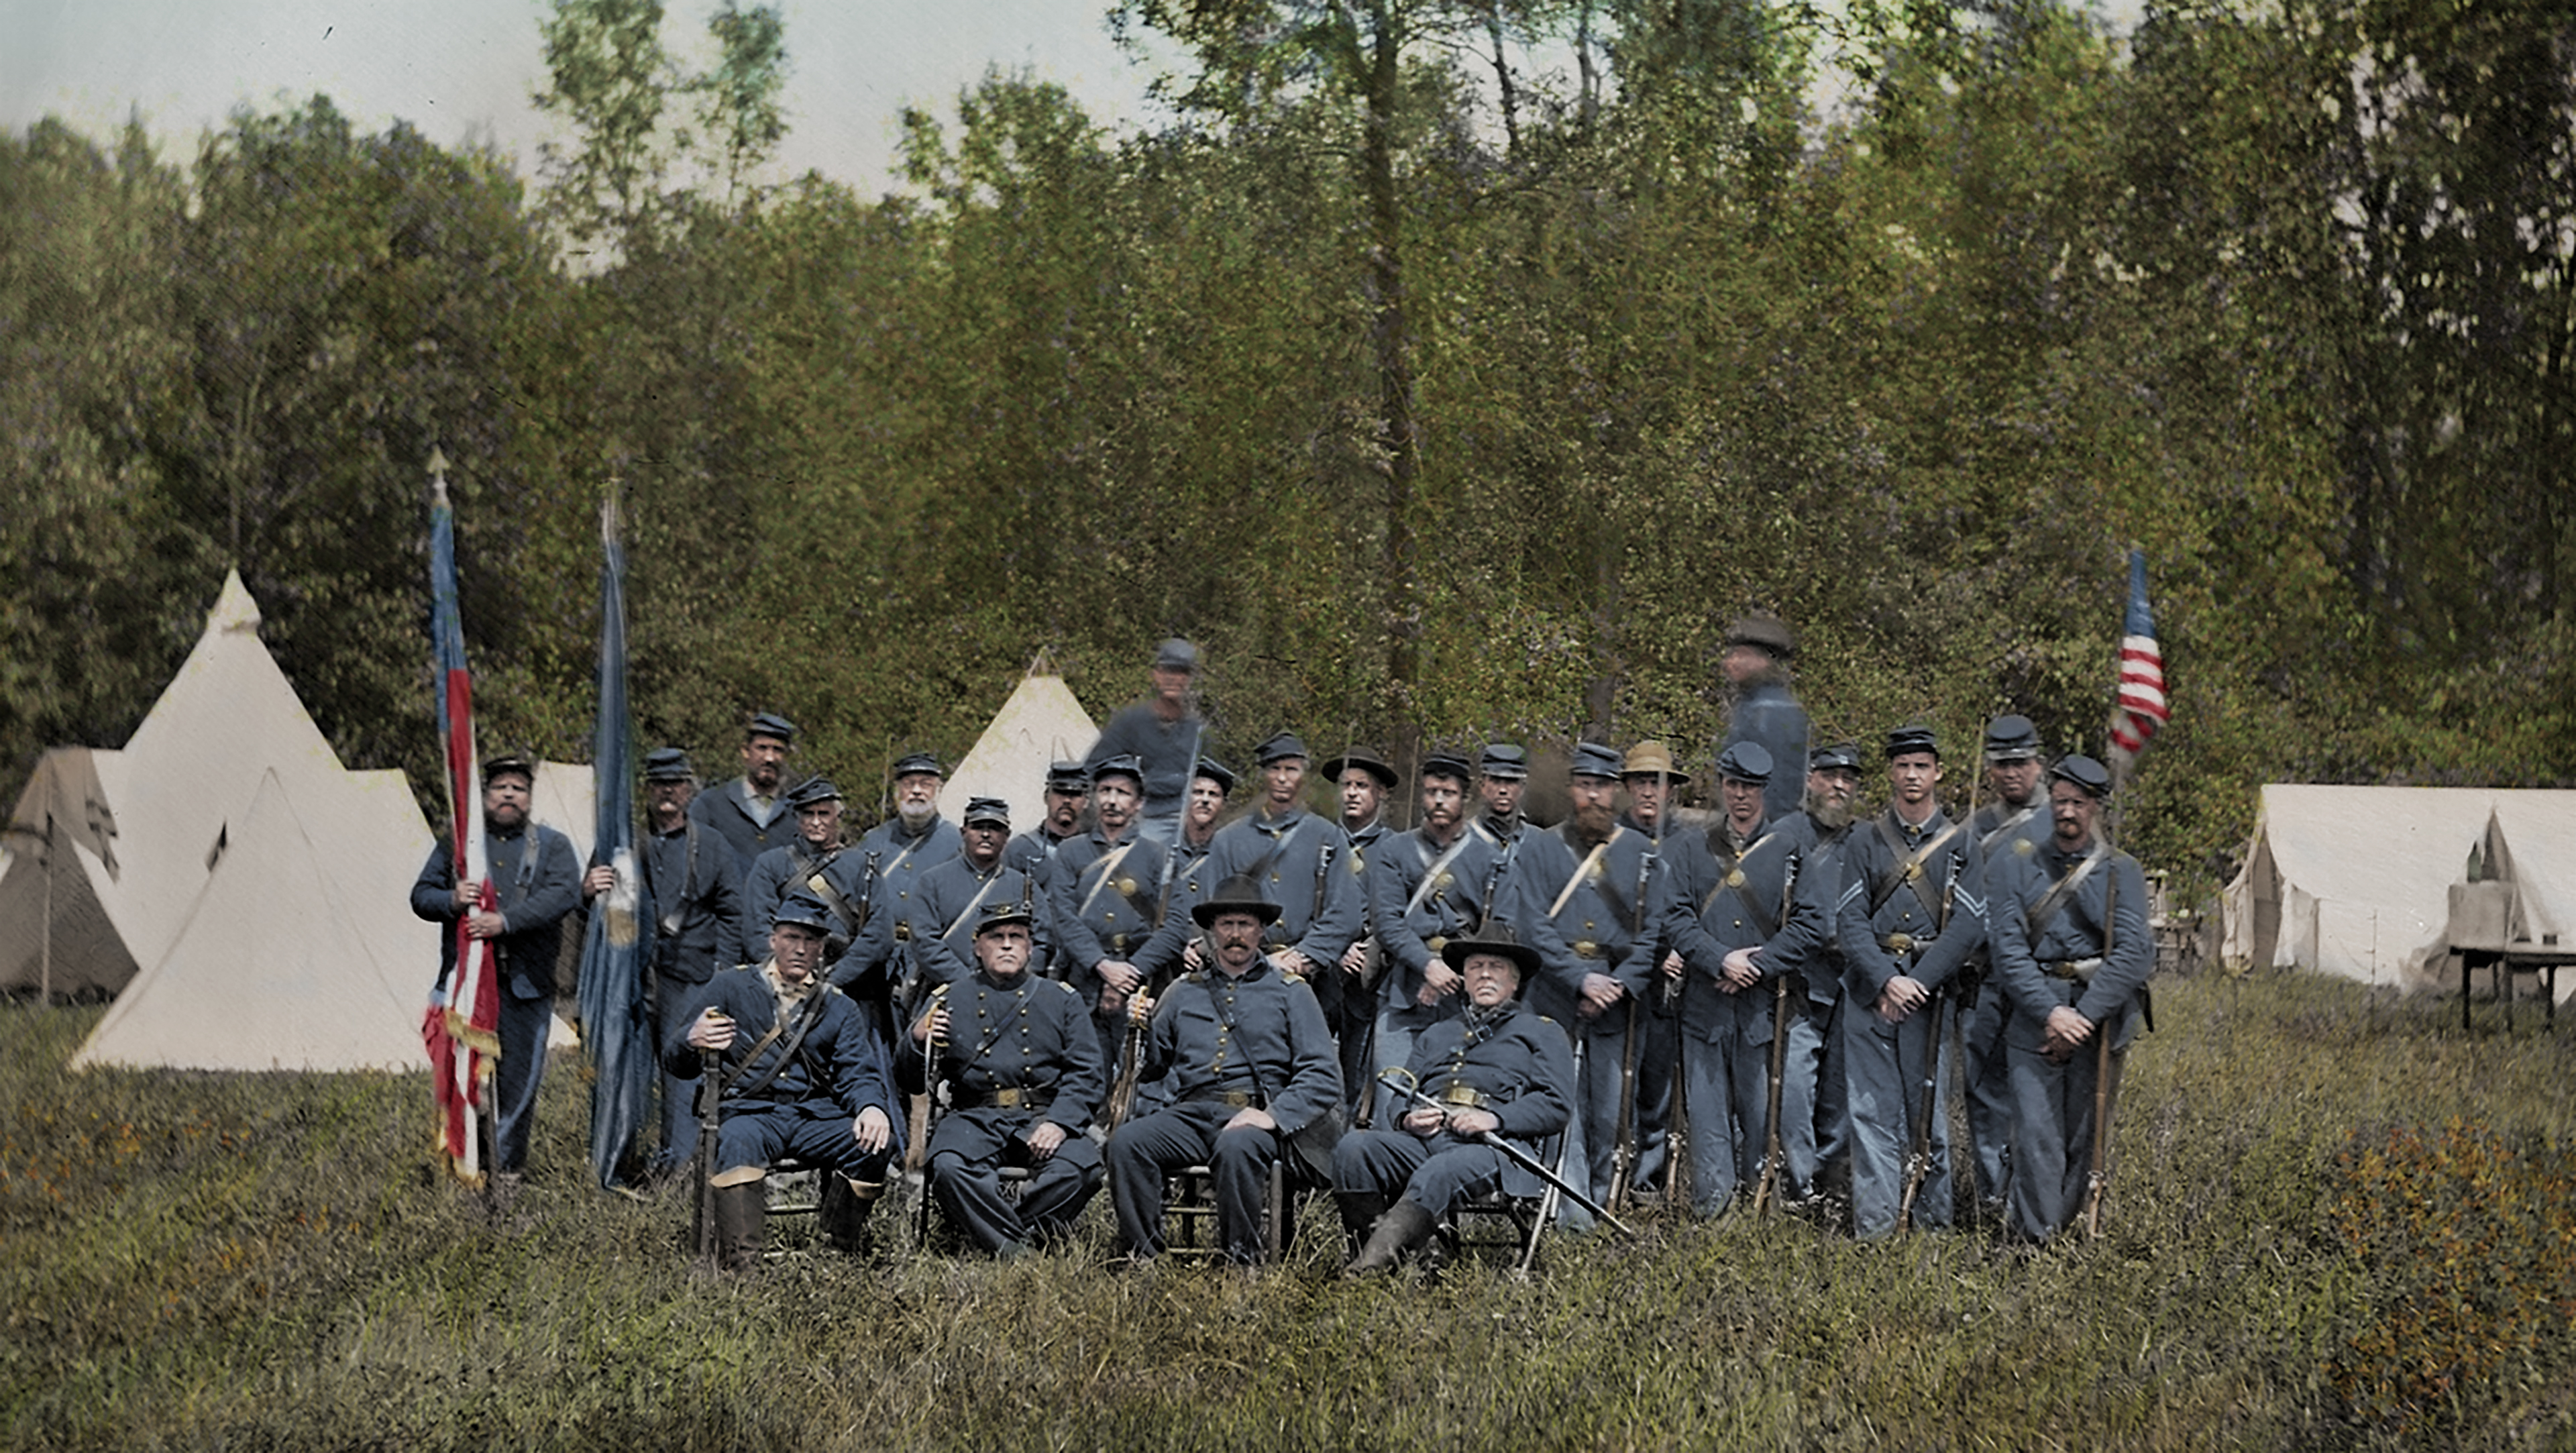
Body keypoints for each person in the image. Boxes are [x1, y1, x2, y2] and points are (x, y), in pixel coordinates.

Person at [1106, 875, 1341, 1266]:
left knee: (1238, 1145)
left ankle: (1240, 1263)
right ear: (1212, 931)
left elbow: (1322, 1076)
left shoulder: (1290, 991)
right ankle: (1142, 1258)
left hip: (1255, 1117)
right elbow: (1152, 1068)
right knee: (1127, 1142)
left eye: (1245, 925)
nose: (1235, 935)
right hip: (1192, 1114)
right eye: (1226, 925)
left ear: (1261, 930)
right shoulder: (1183, 990)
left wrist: (1272, 1117)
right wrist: (1138, 1030)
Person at [665, 892, 900, 1271]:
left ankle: (836, 1254)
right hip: (751, 1114)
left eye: (810, 940)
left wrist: (872, 1107)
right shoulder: (731, 987)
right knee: (737, 1140)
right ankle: (744, 1269)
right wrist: (693, 1038)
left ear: (822, 948)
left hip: (813, 1118)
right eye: (791, 937)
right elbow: (676, 1062)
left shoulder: (839, 1006)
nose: (800, 948)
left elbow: (858, 1071)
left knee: (874, 1143)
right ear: (773, 939)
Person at [1333, 924, 1574, 1275]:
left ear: (1515, 981)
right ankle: (1374, 1252)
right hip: (1428, 1140)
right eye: (1476, 967)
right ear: (1464, 976)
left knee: (1438, 1172)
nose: (1485, 975)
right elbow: (1402, 1092)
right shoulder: (1438, 1033)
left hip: (1496, 1150)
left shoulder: (1542, 1032)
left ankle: (1370, 1271)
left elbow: (1556, 1104)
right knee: (1352, 1149)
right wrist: (1407, 1119)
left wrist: (1495, 1119)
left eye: (1497, 967)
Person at [1660, 742, 1835, 1215]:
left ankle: (1763, 1215)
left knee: (1763, 1115)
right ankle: (1713, 1213)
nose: (1741, 795)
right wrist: (1720, 960)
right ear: (1722, 786)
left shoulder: (1789, 849)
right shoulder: (1692, 849)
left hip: (1763, 1008)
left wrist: (1756, 965)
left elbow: (1813, 923)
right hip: (1705, 1004)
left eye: (1751, 787)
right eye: (1733, 784)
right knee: (1708, 1116)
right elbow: (1675, 918)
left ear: (1764, 791)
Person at [1986, 754, 2150, 1242]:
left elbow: (2133, 954)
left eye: (2078, 803)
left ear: (2095, 807)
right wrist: (2052, 1012)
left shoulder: (2123, 872)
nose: (2067, 812)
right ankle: (2035, 1243)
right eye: (2060, 801)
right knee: (2037, 1139)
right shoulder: (2018, 866)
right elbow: (2008, 951)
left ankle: (2067, 1232)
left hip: (2098, 1018)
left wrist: (2083, 1016)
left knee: (2086, 1138)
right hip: (2034, 1015)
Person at [1831, 726, 1986, 1238]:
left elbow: (1968, 924)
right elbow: (1849, 920)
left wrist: (1916, 983)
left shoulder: (1962, 843)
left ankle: (1932, 1225)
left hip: (1929, 995)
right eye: (1903, 766)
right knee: (1870, 1112)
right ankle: (1875, 1228)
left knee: (1929, 1115)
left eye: (1922, 766)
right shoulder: (1863, 839)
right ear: (1891, 773)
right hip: (1870, 991)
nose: (1912, 775)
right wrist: (1884, 982)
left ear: (1938, 772)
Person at [1503, 741, 1665, 1226]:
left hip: (1617, 1002)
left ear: (1616, 791)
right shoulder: (1541, 847)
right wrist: (1580, 980)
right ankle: (1567, 1212)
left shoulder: (1639, 852)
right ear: (1573, 788)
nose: (1593, 797)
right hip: (1555, 996)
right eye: (1585, 785)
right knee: (1557, 1106)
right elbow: (1533, 926)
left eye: (1602, 787)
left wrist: (1617, 984)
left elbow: (1653, 930)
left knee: (1609, 1113)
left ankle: (1601, 1200)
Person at [898, 898, 1106, 1256]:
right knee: (948, 1169)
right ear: (978, 947)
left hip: (1041, 1115)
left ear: (1030, 948)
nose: (1007, 944)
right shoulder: (948, 1000)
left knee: (1082, 1169)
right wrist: (918, 1038)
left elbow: (1087, 1073)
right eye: (996, 936)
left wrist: (1059, 1123)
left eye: (1017, 936)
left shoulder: (1062, 999)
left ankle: (995, 1238)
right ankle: (1021, 1254)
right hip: (974, 1117)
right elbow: (911, 1080)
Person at [411, 754, 583, 1183]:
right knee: (461, 1083)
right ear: (485, 795)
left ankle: (507, 1174)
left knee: (518, 1087)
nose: (509, 794)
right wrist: (452, 899)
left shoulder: (553, 846)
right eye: (500, 787)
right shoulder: (460, 843)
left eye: (518, 788)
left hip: (525, 987)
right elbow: (420, 896)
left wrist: (505, 922)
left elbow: (562, 895)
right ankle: (464, 1169)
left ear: (529, 797)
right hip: (467, 991)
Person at [1168, 732, 1364, 1083]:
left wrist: (1301, 957)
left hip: (1311, 980)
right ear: (1264, 775)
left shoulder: (1327, 836)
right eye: (1276, 769)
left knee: (1312, 1074)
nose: (1284, 778)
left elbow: (1346, 912)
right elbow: (1209, 911)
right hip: (1243, 976)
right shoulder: (1229, 838)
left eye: (1292, 769)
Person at [628, 747, 748, 1181]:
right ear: (648, 788)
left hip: (692, 974)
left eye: (676, 784)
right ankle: (626, 1158)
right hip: (634, 976)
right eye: (659, 783)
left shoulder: (711, 845)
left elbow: (733, 910)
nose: (667, 792)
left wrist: (723, 970)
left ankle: (677, 1165)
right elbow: (593, 906)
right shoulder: (628, 843)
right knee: (631, 1069)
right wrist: (590, 889)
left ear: (688, 790)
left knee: (682, 1072)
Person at [1365, 750, 1497, 1122]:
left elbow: (1495, 928)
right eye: (1431, 792)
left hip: (1463, 998)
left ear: (1465, 799)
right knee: (1392, 1096)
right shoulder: (1395, 850)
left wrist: (1448, 972)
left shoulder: (1488, 857)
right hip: (1404, 993)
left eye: (1449, 793)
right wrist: (1427, 966)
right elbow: (1387, 922)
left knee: (1454, 1100)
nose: (1439, 801)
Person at [1961, 714, 2049, 1218]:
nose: (2012, 772)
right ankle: (1995, 1197)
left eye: (2021, 762)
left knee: (2037, 1099)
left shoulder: (2061, 821)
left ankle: (2037, 1204)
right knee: (1985, 1091)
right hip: (1987, 979)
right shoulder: (1977, 826)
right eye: (2002, 765)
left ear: (2038, 764)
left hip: (2041, 985)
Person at [1055, 754, 1179, 1070]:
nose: (1112, 800)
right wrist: (1102, 965)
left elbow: (1175, 926)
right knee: (1085, 1073)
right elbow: (1063, 917)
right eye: (1106, 790)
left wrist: (1130, 972)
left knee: (1138, 1076)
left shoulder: (1158, 856)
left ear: (1138, 804)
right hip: (1083, 982)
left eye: (1123, 793)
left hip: (1142, 984)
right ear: (1095, 797)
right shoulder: (1070, 852)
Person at [826, 751, 962, 1008]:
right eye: (909, 784)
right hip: (876, 962)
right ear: (897, 790)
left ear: (939, 790)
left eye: (926, 784)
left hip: (929, 964)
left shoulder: (956, 841)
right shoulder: (874, 840)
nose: (917, 791)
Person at [1619, 741, 1688, 1197]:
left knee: (1657, 1088)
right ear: (1626, 788)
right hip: (1621, 979)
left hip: (1668, 985)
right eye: (1641, 782)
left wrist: (1682, 950)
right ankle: (1610, 1177)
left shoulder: (1689, 844)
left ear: (1670, 791)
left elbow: (1701, 906)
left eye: (1657, 782)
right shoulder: (1607, 837)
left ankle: (1648, 1181)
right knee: (1613, 1087)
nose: (1649, 791)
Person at [906, 797, 1053, 1005]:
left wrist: (1017, 982)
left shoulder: (1025, 887)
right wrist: (967, 983)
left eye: (994, 828)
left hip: (1011, 998)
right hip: (947, 993)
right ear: (963, 831)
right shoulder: (932, 881)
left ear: (1007, 836)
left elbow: (1042, 942)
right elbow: (925, 942)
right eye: (978, 827)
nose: (986, 834)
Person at [1800, 742, 1866, 1207]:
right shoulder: (1784, 834)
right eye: (1828, 775)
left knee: (1842, 1094)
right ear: (1811, 778)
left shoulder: (1868, 841)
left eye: (1847, 779)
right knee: (1793, 1090)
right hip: (1798, 981)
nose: (1838, 785)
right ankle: (1794, 1183)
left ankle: (1834, 1187)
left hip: (1851, 981)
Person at [1323, 747, 1399, 1119]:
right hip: (1320, 975)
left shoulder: (1396, 849)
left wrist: (1367, 952)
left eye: (1362, 786)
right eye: (1346, 785)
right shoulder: (1317, 841)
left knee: (1358, 1074)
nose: (1351, 793)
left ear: (1381, 793)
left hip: (1369, 982)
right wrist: (1335, 949)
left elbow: (1400, 915)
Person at [1085, 638, 1208, 849]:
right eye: (1167, 671)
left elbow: (1212, 777)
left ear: (1188, 679)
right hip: (1147, 818)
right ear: (1156, 674)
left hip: (1190, 818)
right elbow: (1093, 767)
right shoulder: (1132, 722)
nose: (1172, 679)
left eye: (1180, 672)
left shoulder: (1196, 729)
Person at [740, 777, 857, 947]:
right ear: (797, 818)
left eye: (824, 814)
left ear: (838, 817)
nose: (816, 822)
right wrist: (788, 970)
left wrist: (843, 973)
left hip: (846, 967)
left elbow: (875, 934)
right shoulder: (770, 864)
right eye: (808, 814)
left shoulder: (860, 865)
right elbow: (758, 932)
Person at [1719, 613, 1811, 824]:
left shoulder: (1772, 712)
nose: (1730, 663)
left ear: (1761, 661)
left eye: (1740, 655)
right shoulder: (1751, 705)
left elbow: (1777, 789)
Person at [688, 712, 803, 864]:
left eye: (778, 750)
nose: (770, 758)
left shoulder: (798, 811)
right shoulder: (710, 805)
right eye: (762, 748)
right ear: (745, 751)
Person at [1003, 759, 1091, 890]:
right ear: (1046, 796)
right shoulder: (1019, 850)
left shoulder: (1096, 850)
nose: (1067, 800)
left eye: (1075, 794)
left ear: (1086, 801)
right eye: (1059, 792)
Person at [1474, 743, 1531, 847]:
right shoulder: (1460, 839)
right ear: (1482, 785)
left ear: (1522, 787)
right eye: (1496, 781)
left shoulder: (1539, 841)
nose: (1503, 790)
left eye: (1511, 781)